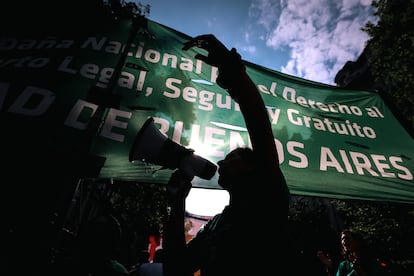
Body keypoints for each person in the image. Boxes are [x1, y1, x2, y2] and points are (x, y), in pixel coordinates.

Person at [162, 34, 294, 276]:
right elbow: (176, 269)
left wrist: (231, 69)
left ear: (254, 169)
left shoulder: (269, 197)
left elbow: (258, 123)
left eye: (232, 157)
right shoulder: (215, 224)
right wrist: (176, 204)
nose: (222, 161)